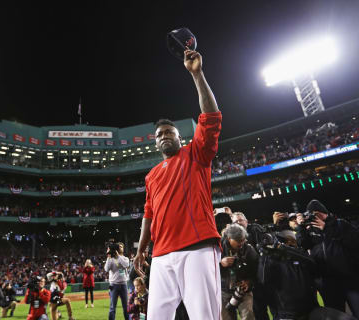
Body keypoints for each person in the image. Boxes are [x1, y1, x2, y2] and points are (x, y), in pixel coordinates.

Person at [134, 48, 222, 319]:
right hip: (161, 255)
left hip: (197, 247)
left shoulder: (196, 153)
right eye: (159, 134)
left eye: (169, 132)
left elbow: (211, 118)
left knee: (204, 316)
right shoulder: (151, 175)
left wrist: (197, 75)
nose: (163, 136)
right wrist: (140, 251)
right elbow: (149, 214)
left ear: (179, 138)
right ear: (156, 142)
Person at [295, 199, 359, 317]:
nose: (314, 217)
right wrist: (300, 227)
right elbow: (302, 244)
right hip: (328, 282)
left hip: (350, 279)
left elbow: (354, 242)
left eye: (316, 213)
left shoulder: (340, 224)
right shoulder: (310, 230)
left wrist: (326, 228)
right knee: (336, 316)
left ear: (323, 212)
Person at [220, 224, 258, 320]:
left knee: (248, 316)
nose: (241, 242)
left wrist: (250, 282)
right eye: (238, 240)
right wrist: (220, 264)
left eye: (243, 239)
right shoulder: (217, 248)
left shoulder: (249, 249)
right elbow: (207, 269)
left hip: (243, 290)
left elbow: (257, 270)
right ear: (229, 238)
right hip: (223, 291)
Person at [105, 242, 129, 320]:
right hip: (113, 285)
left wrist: (118, 256)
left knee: (126, 307)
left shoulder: (125, 258)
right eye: (119, 247)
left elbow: (126, 265)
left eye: (121, 246)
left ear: (123, 249)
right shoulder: (111, 259)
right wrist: (108, 257)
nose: (120, 248)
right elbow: (106, 269)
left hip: (123, 285)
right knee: (112, 307)